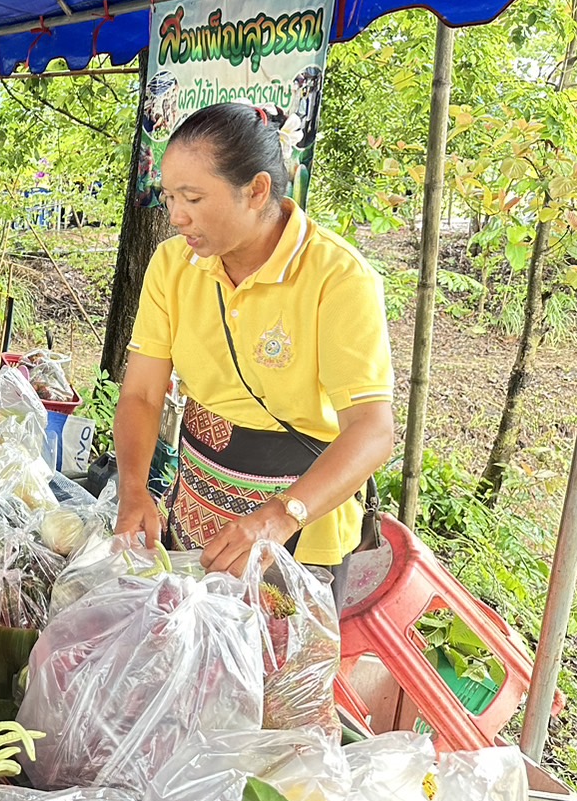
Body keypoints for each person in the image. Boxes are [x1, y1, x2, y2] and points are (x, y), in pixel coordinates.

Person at [113, 102, 395, 580]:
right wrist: (134, 490)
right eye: (169, 197)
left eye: (194, 198)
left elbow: (372, 431)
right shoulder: (171, 265)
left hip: (302, 531)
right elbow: (141, 393)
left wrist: (280, 516)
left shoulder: (338, 277)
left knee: (279, 655)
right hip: (197, 508)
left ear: (256, 190)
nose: (177, 216)